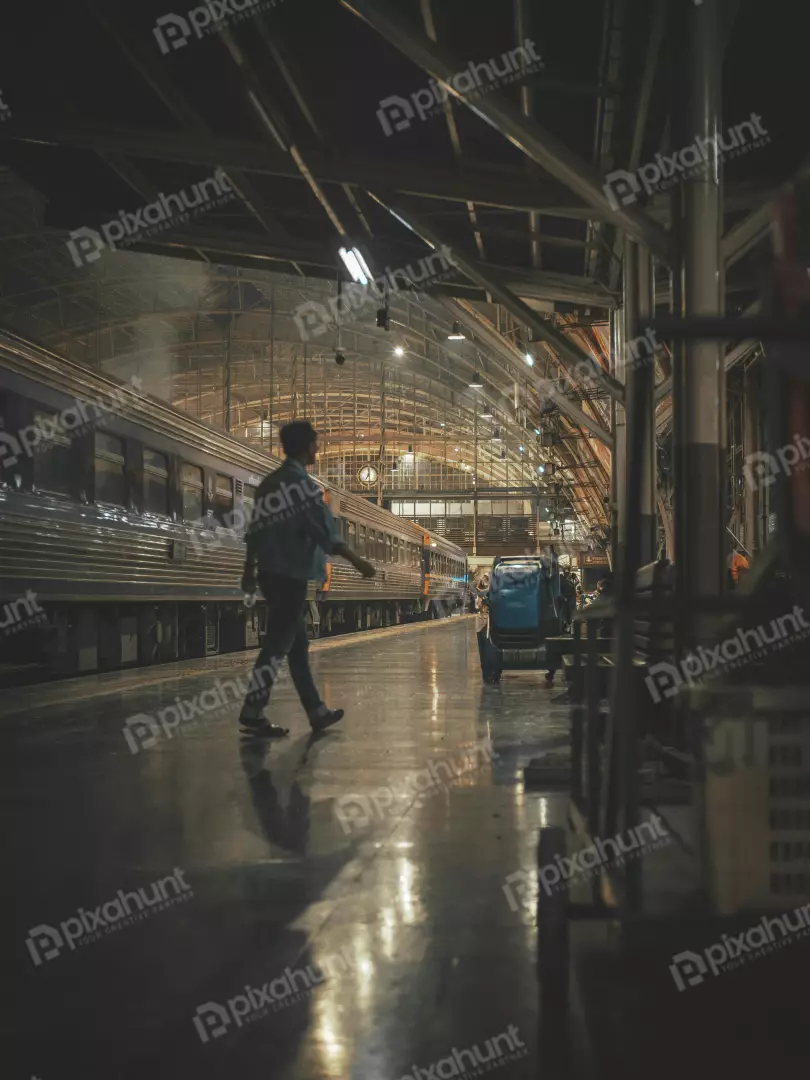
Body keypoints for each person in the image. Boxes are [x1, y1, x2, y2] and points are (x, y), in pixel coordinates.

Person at [238, 420, 375, 738]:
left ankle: (316, 712)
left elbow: (254, 533)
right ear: (305, 447)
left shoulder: (270, 484)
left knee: (297, 647)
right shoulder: (303, 488)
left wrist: (248, 570)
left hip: (270, 575)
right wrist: (358, 562)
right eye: (315, 443)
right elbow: (325, 535)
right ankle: (252, 709)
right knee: (276, 646)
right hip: (291, 576)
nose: (318, 448)